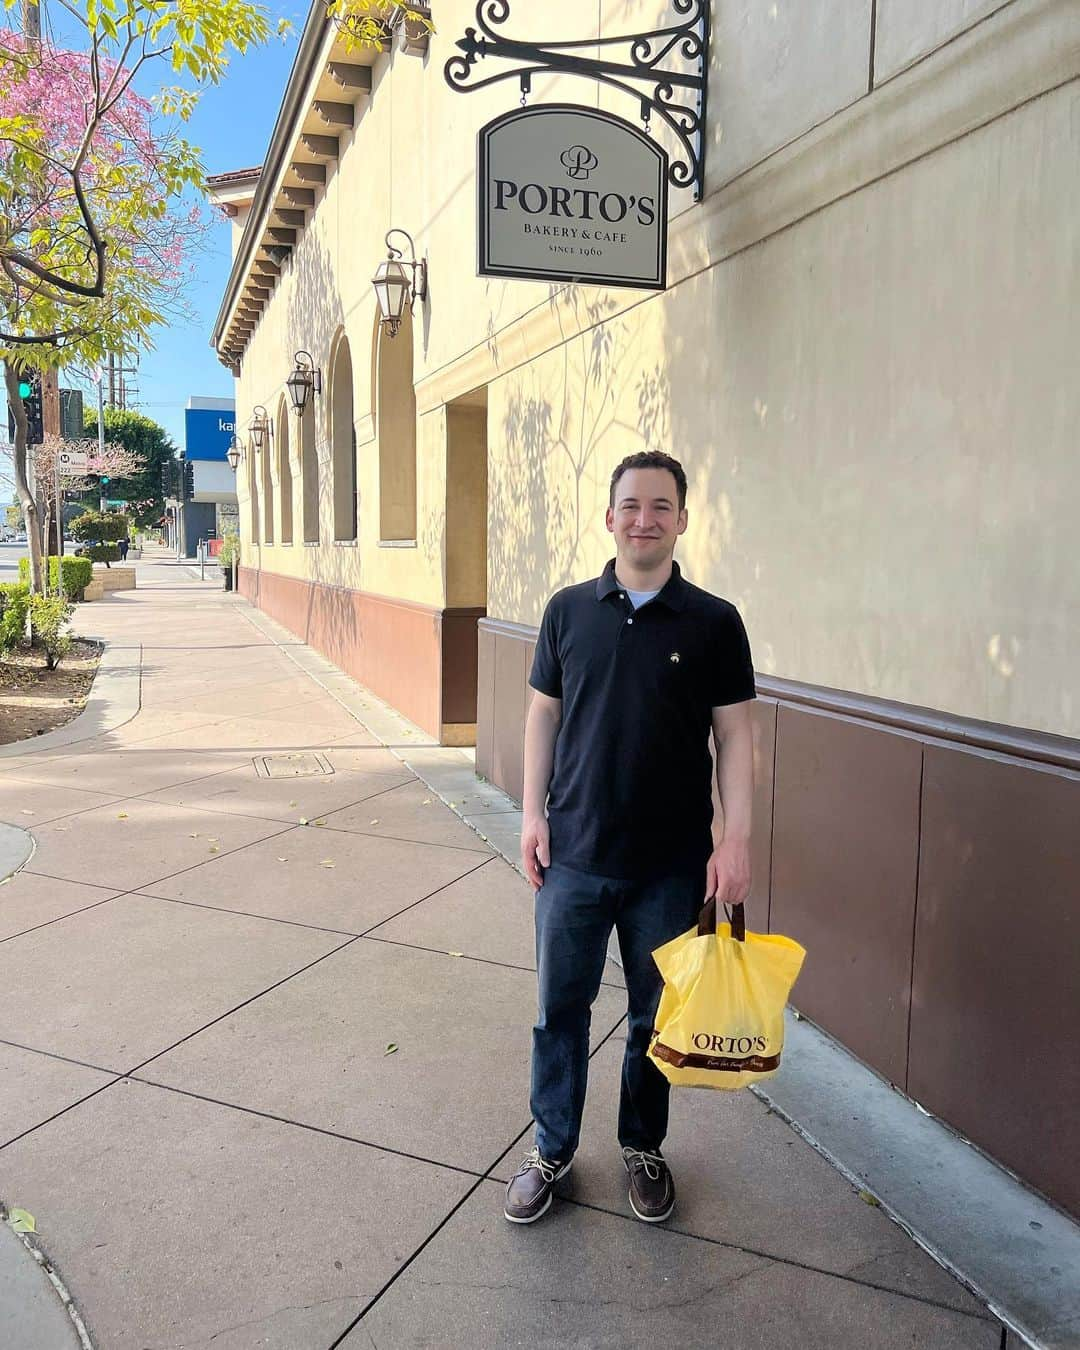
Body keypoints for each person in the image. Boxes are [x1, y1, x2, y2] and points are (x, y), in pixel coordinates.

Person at [504, 450, 756, 1227]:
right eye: (631, 505)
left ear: (682, 519)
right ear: (609, 517)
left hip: (672, 868)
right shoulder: (567, 610)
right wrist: (531, 813)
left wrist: (736, 840)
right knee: (559, 1012)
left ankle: (643, 1145)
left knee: (655, 1019)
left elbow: (737, 739)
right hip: (574, 855)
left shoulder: (714, 622)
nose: (645, 519)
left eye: (661, 506)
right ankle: (552, 1149)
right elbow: (543, 714)